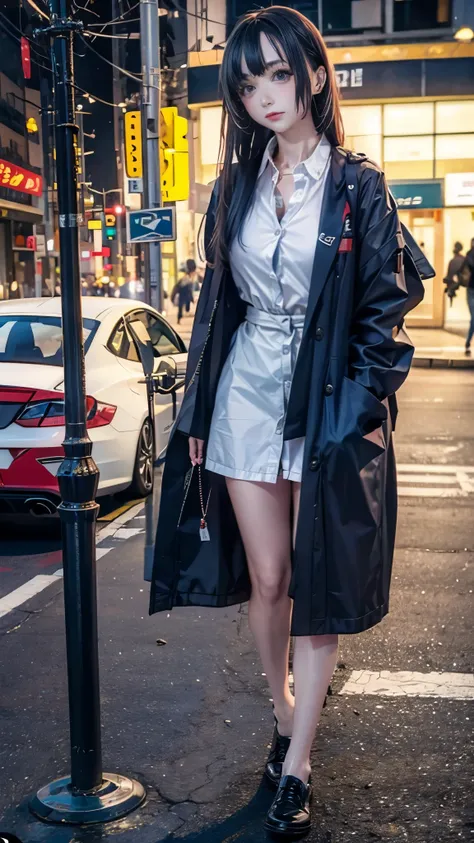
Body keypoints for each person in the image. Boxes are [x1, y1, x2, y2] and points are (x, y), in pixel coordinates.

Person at [149, 7, 432, 836]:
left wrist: (354, 405)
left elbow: (385, 313)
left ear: (313, 73)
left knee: (316, 584)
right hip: (243, 394)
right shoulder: (234, 185)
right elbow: (216, 304)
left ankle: (298, 761)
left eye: (277, 73)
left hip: (324, 402)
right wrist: (198, 405)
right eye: (247, 83)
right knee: (268, 577)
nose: (265, 95)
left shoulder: (356, 185)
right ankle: (283, 710)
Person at [460, 237, 474, 355]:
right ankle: (468, 342)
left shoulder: (469, 254)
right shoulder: (469, 255)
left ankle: (468, 342)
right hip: (471, 289)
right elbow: (462, 270)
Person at [443, 241, 464, 306]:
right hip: (459, 279)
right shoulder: (463, 259)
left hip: (453, 280)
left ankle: (450, 290)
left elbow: (449, 275)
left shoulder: (452, 261)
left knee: (449, 280)